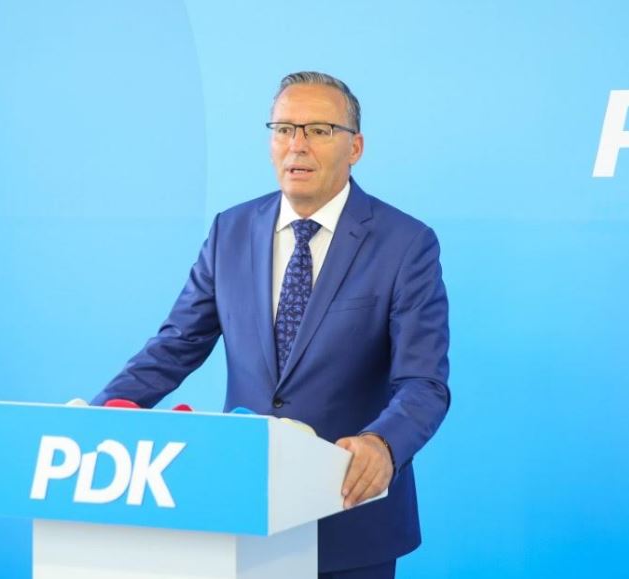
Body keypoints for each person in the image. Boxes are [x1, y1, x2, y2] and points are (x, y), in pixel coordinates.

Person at [91, 71, 450, 579]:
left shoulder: (405, 244)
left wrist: (383, 444)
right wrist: (98, 417)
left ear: (355, 147)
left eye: (319, 130)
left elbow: (424, 382)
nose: (297, 144)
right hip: (242, 506)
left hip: (349, 515)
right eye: (284, 129)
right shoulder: (231, 230)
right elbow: (176, 345)